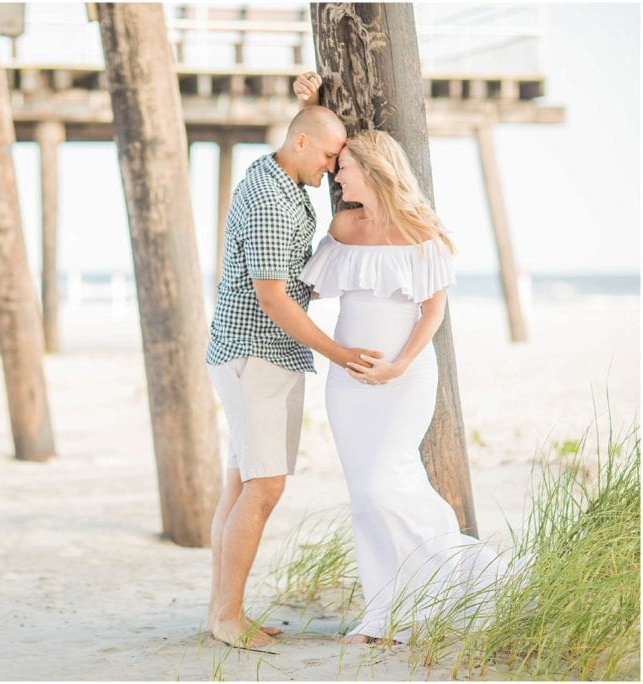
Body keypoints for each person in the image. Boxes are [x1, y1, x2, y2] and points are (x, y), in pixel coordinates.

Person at [298, 129, 504, 645]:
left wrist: (398, 365)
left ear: (373, 168)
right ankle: (383, 615)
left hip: (405, 376)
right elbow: (312, 287)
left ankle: (461, 576)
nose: (337, 174)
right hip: (347, 384)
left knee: (385, 484)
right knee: (364, 498)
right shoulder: (343, 224)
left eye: (344, 166)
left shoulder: (419, 229)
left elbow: (433, 310)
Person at [204, 72, 383, 653]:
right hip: (255, 355)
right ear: (303, 145)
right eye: (332, 156)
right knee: (263, 487)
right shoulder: (270, 202)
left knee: (241, 485)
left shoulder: (277, 173)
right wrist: (339, 354)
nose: (334, 168)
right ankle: (229, 618)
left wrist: (314, 106)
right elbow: (273, 296)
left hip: (261, 353)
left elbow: (307, 134)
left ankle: (220, 612)